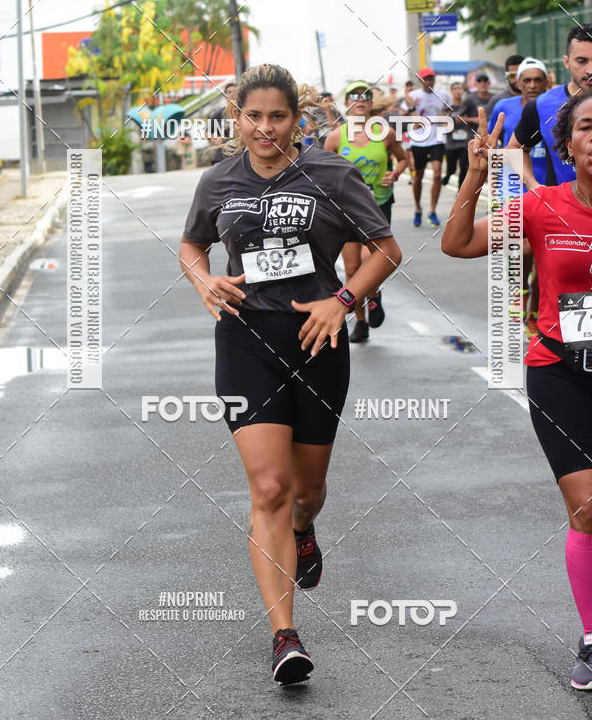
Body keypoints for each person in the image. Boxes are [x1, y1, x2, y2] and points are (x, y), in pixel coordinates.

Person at [179, 63, 402, 685]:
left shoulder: (333, 174)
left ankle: (305, 529)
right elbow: (191, 244)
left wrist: (344, 300)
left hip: (318, 339)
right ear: (237, 118)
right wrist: (205, 281)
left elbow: (386, 248)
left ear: (297, 118)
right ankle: (285, 635)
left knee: (305, 493)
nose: (266, 128)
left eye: (278, 116)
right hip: (246, 340)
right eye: (254, 116)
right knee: (269, 488)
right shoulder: (219, 179)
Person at [442, 95, 592, 691]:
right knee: (587, 505)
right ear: (567, 144)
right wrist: (477, 175)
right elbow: (457, 243)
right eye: (585, 127)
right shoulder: (540, 207)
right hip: (559, 367)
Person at [324, 80, 407, 343]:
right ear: (347, 103)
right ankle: (360, 322)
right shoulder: (336, 137)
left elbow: (404, 158)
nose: (360, 100)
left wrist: (394, 173)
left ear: (371, 104)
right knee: (351, 269)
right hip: (346, 210)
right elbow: (322, 173)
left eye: (365, 96)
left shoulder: (385, 133)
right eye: (354, 96)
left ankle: (375, 294)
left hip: (377, 205)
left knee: (370, 260)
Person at [488, 57, 549, 337]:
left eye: (538, 80)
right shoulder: (503, 107)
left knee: (542, 258)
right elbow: (494, 143)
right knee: (519, 254)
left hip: (543, 189)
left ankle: (534, 314)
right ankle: (519, 298)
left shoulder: (552, 106)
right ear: (517, 82)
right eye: (527, 80)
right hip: (511, 190)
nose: (533, 85)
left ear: (546, 82)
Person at [508, 24, 592, 188]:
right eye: (581, 61)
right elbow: (515, 147)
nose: (591, 70)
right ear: (566, 62)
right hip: (563, 211)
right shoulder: (542, 105)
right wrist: (534, 187)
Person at [404, 67, 452, 226]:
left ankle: (432, 211)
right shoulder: (413, 96)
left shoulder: (443, 95)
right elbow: (401, 116)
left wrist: (445, 117)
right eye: (425, 79)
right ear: (420, 80)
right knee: (418, 175)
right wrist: (411, 108)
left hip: (437, 139)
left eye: (431, 78)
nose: (428, 81)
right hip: (418, 141)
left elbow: (448, 112)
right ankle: (418, 208)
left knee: (437, 174)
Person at [442, 80, 467, 188]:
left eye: (460, 88)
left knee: (464, 167)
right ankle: (448, 175)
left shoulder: (467, 105)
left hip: (465, 142)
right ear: (451, 91)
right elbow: (445, 126)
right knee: (451, 168)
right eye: (455, 89)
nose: (458, 91)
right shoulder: (447, 107)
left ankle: (460, 191)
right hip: (451, 143)